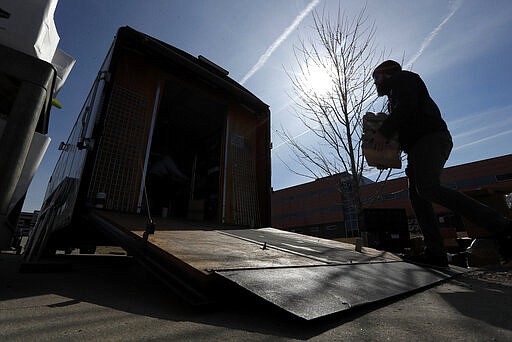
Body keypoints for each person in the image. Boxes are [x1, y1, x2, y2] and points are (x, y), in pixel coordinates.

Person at [371, 60, 511, 267]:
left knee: (427, 187)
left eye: (376, 78)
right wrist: (387, 157)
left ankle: (503, 228)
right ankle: (435, 252)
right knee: (418, 196)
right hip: (418, 146)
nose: (375, 83)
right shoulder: (394, 96)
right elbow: (404, 126)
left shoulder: (405, 79)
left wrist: (383, 131)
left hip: (431, 139)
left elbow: (408, 106)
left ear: (388, 73)